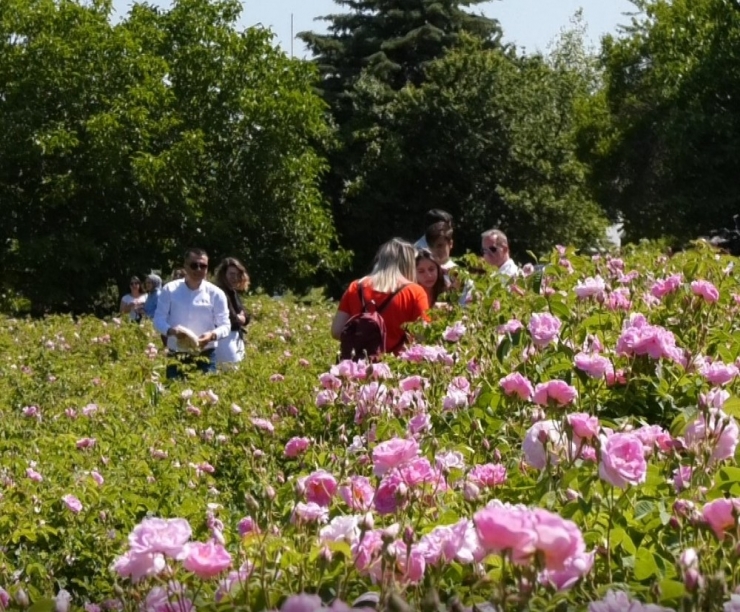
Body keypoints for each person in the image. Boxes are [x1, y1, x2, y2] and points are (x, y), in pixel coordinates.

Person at [331, 238, 429, 358]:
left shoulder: (356, 287)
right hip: (398, 366)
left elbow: (336, 330)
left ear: (381, 260)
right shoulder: (415, 292)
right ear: (409, 264)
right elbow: (423, 336)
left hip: (357, 366)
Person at [153, 248, 231, 378]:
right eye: (194, 265)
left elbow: (225, 325)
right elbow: (158, 320)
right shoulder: (170, 290)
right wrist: (172, 331)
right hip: (177, 354)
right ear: (185, 266)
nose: (198, 269)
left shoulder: (216, 294)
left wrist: (212, 335)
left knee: (204, 395)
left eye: (203, 266)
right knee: (175, 395)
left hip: (205, 355)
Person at [213, 257, 251, 366]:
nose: (234, 278)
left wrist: (242, 318)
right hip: (225, 338)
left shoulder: (232, 292)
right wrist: (239, 318)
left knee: (239, 370)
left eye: (237, 275)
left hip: (236, 336)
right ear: (223, 274)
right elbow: (229, 317)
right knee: (231, 370)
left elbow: (246, 315)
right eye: (231, 274)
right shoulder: (220, 292)